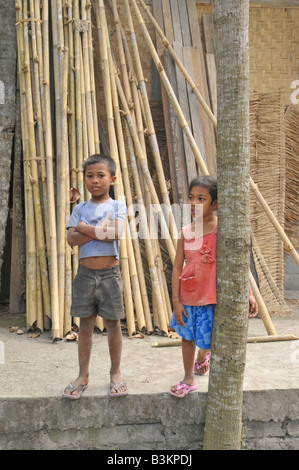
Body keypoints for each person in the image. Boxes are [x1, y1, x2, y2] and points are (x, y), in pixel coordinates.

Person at [169, 175, 258, 398]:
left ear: (215, 204)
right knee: (187, 337)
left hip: (213, 296)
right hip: (188, 294)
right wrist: (175, 300)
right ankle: (188, 378)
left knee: (206, 340)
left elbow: (238, 264)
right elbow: (177, 268)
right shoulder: (186, 232)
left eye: (201, 199)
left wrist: (249, 293)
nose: (193, 203)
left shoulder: (222, 230)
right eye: (191, 198)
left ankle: (203, 357)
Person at [62, 154, 128, 399]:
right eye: (90, 176)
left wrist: (84, 228)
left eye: (101, 176)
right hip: (85, 275)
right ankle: (83, 375)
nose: (95, 181)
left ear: (112, 179)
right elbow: (71, 240)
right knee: (86, 325)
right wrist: (100, 231)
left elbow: (117, 233)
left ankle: (116, 373)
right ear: (84, 179)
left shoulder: (117, 206)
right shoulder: (79, 208)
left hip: (110, 274)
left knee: (113, 325)